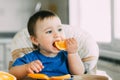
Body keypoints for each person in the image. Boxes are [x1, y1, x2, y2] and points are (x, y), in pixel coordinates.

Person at [9, 10, 85, 79]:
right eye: (49, 31)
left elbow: (79, 73)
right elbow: (12, 73)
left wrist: (73, 53)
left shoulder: (66, 56)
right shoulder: (31, 58)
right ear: (35, 40)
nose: (57, 35)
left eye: (59, 29)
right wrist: (26, 68)